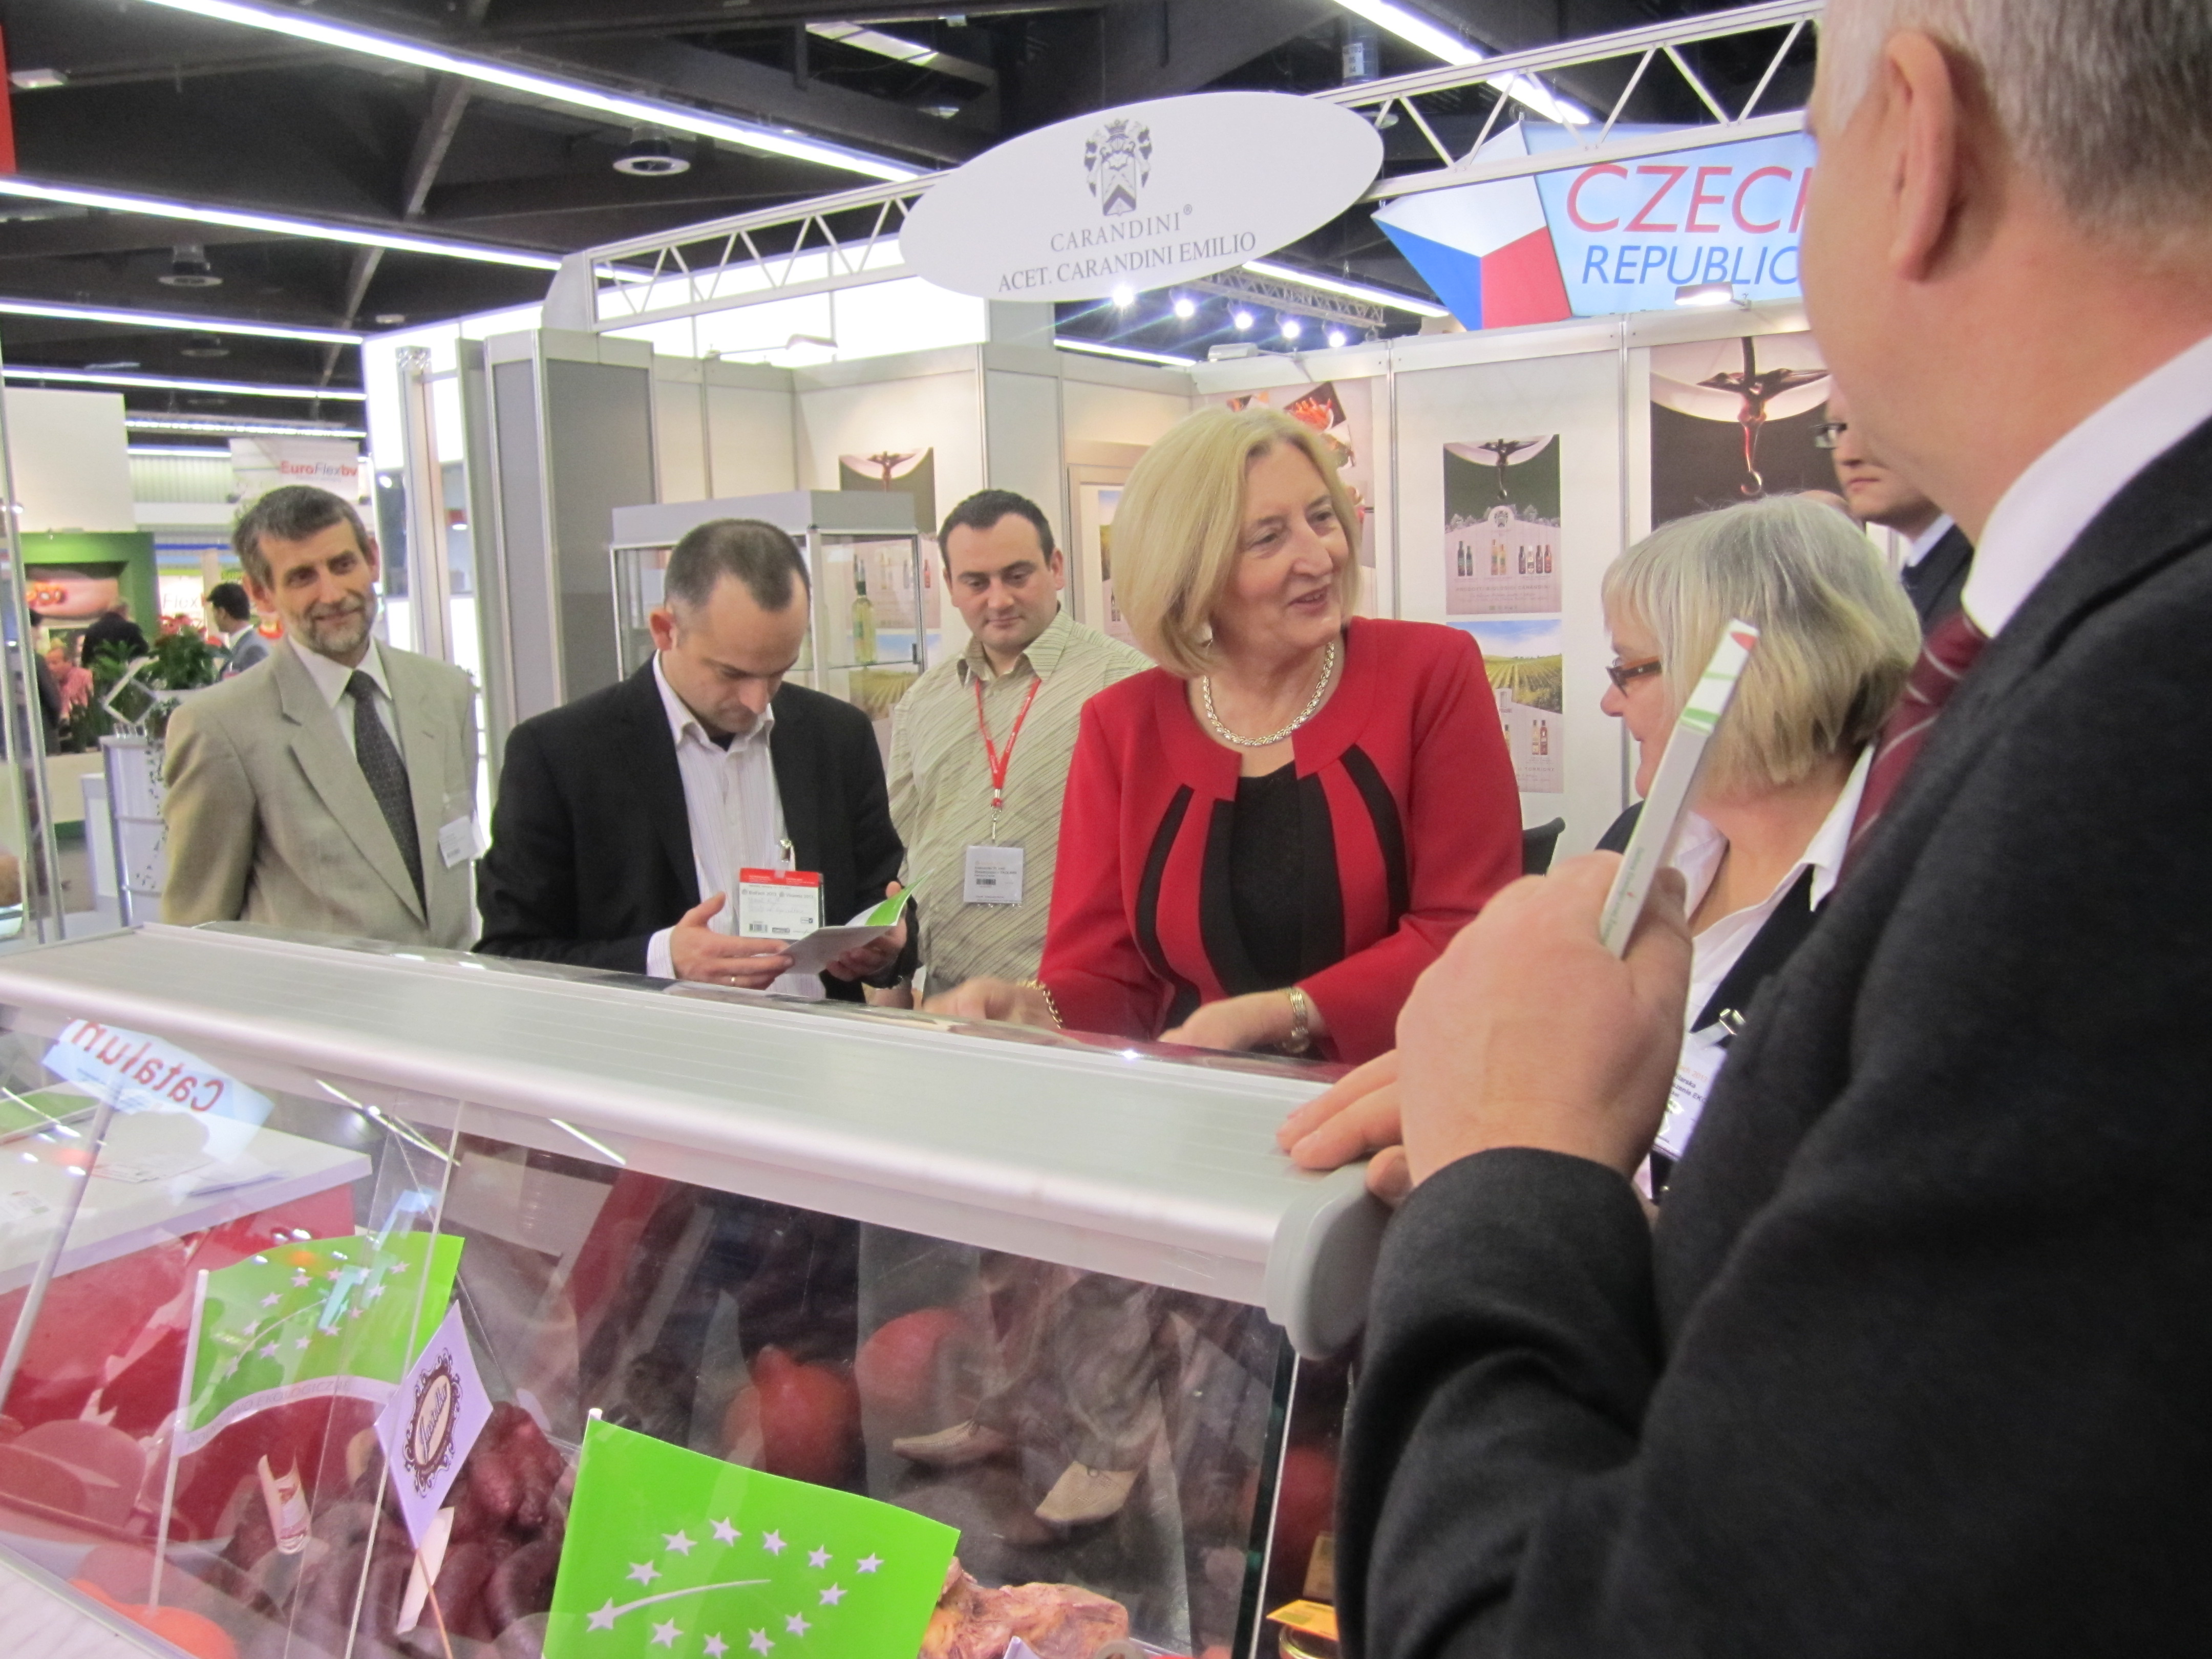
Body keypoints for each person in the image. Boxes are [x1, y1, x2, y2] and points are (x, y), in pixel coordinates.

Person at [1287, 3, 2212, 1653]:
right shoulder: (2101, 654)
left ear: (1915, 143)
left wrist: (1513, 1167)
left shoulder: (2140, 732)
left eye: (1810, 151)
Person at [932, 405, 1521, 1064]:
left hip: (1399, 1094)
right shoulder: (1122, 726)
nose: (1319, 556)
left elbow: (1469, 928)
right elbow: (1109, 975)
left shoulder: (1430, 673)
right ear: (1190, 572)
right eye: (1268, 538)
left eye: (1322, 518)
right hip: (1203, 1103)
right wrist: (1033, 1008)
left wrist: (1283, 1013)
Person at [1596, 495, 1916, 1187]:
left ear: (1738, 673)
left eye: (1629, 668)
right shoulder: (1639, 845)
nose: (1610, 701)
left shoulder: (1899, 905)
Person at [475, 517, 912, 998]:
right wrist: (662, 960)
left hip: (816, 1040)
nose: (757, 700)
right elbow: (509, 956)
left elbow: (881, 895)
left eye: (779, 672)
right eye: (732, 673)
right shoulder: (560, 754)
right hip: (652, 1041)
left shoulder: (836, 737)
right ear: (665, 630)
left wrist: (885, 948)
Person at [162, 485, 480, 948]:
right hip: (315, 995)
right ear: (260, 593)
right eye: (301, 577)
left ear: (372, 559)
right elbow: (198, 925)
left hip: (453, 985)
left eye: (343, 565)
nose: (332, 594)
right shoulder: (221, 728)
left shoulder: (447, 692)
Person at [885, 490, 1147, 995]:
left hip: (1082, 1007)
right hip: (950, 1003)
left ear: (1056, 567)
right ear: (950, 586)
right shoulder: (923, 703)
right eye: (977, 582)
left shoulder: (1129, 686)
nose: (999, 600)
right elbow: (905, 861)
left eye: (1017, 576)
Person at [1821, 382, 1976, 629]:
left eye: (1872, 427)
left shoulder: (1987, 583)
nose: (1845, 455)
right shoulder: (1922, 578)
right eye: (1837, 430)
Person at [206, 581, 270, 676]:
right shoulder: (245, 644)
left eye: (214, 612)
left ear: (222, 612)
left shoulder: (253, 649)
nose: (213, 618)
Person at [79, 602, 147, 664]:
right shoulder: (130, 627)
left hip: (100, 670)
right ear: (124, 611)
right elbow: (143, 651)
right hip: (123, 670)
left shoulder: (93, 628)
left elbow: (86, 657)